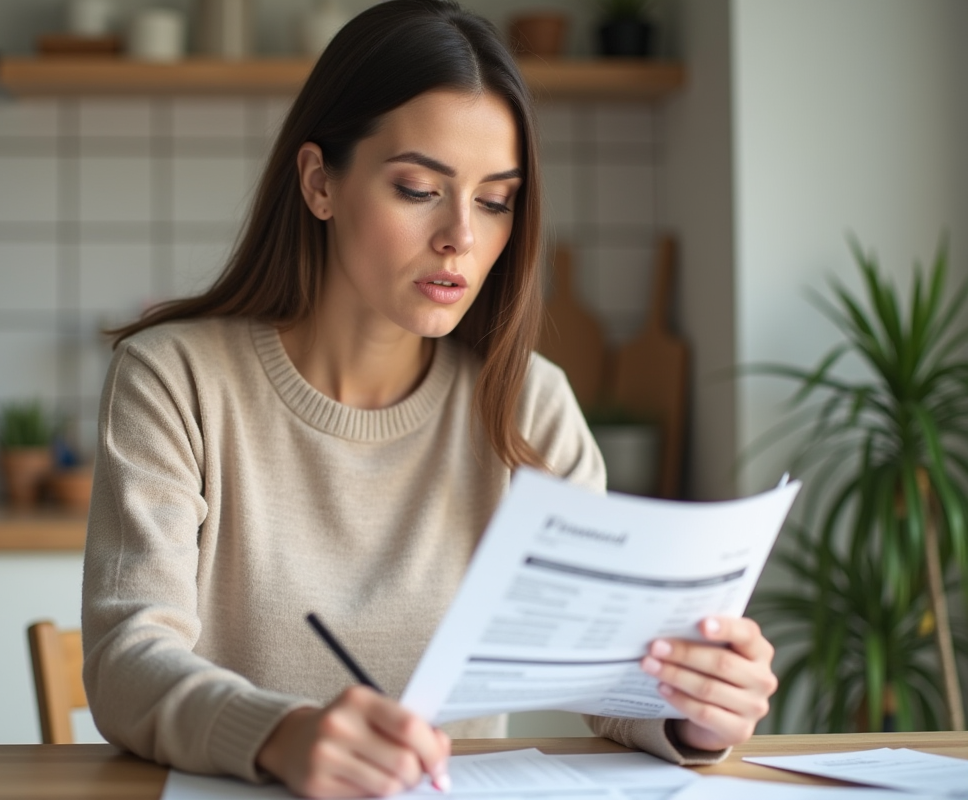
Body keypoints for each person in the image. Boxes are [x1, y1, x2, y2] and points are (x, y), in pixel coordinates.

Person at [82, 1, 778, 796]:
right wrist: (280, 735)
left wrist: (692, 708)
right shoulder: (175, 380)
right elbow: (126, 661)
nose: (462, 238)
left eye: (494, 200)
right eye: (419, 189)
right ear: (319, 183)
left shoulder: (529, 406)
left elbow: (604, 674)